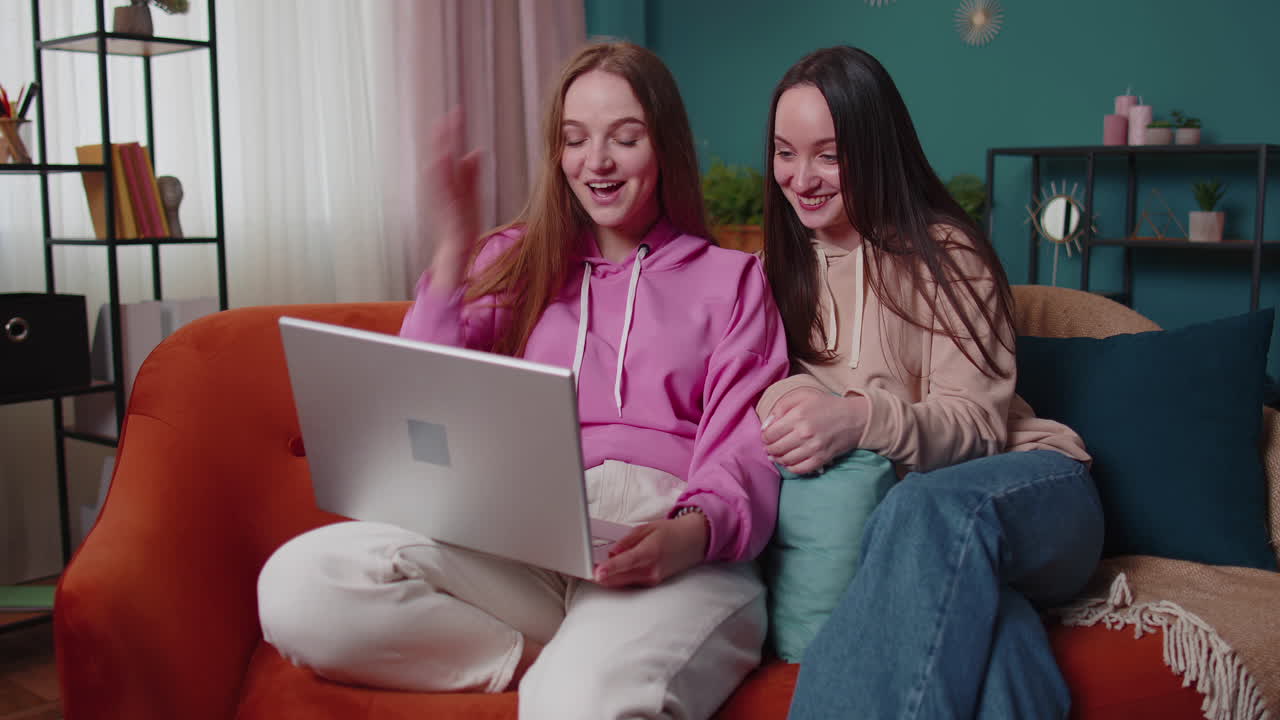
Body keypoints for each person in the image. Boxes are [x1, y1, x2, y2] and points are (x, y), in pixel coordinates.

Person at [256, 41, 789, 720]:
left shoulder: (733, 279)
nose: (595, 161)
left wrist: (691, 532)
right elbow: (423, 394)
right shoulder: (518, 261)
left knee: (586, 702)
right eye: (575, 139)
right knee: (301, 585)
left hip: (672, 540)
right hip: (526, 536)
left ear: (665, 147)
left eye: (624, 138)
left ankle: (579, 672)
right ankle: (545, 663)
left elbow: (745, 446)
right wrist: (454, 247)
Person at [754, 46, 1104, 719]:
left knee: (922, 510)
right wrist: (787, 399)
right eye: (785, 153)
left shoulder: (946, 254)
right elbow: (756, 383)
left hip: (1033, 492)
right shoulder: (778, 267)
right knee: (992, 635)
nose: (802, 178)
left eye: (829, 154)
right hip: (929, 544)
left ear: (876, 147)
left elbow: (975, 426)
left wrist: (857, 417)